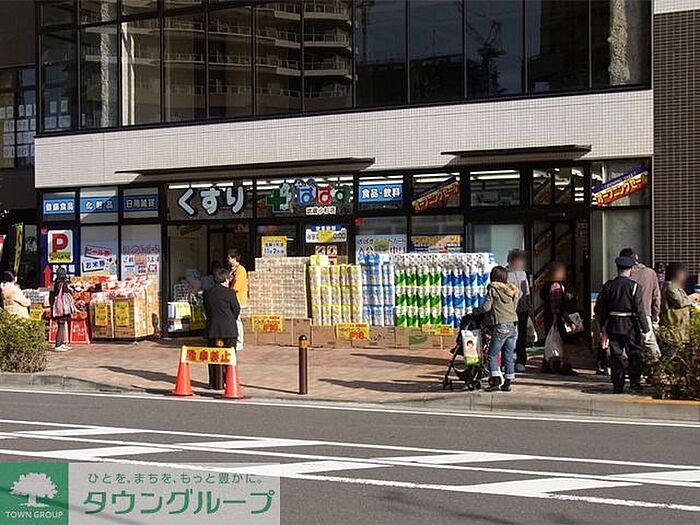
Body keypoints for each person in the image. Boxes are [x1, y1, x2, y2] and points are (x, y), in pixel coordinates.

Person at [595, 256, 652, 394]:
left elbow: (603, 309)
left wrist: (602, 327)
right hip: (630, 324)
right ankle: (634, 382)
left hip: (613, 323)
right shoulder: (634, 287)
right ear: (631, 269)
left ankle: (618, 385)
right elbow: (640, 310)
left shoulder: (608, 286)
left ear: (617, 269)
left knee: (616, 354)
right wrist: (646, 329)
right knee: (635, 353)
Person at [476, 265, 520, 392]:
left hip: (500, 326)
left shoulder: (493, 289)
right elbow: (513, 308)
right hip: (513, 325)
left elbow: (486, 307)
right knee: (508, 355)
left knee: (492, 355)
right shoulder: (510, 291)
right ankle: (508, 382)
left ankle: (495, 381)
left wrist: (475, 311)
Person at [203, 267, 241, 390]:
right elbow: (236, 309)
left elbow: (207, 310)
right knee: (229, 356)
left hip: (212, 328)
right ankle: (229, 381)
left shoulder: (207, 293)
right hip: (229, 329)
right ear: (225, 279)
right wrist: (231, 320)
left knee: (213, 356)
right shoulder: (230, 293)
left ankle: (214, 382)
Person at [540, 262, 578, 375]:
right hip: (559, 319)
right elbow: (557, 307)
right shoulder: (556, 287)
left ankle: (549, 364)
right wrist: (567, 321)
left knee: (552, 341)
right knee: (565, 343)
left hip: (551, 318)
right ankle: (565, 365)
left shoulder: (546, 286)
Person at [619, 248, 661, 324]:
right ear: (636, 258)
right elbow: (656, 297)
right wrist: (656, 314)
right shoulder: (650, 273)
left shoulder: (624, 277)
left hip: (625, 319)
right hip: (646, 315)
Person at [660, 263, 699, 339]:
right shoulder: (670, 286)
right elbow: (680, 302)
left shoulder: (676, 286)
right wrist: (693, 297)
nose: (684, 277)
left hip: (680, 325)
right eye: (682, 274)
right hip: (674, 325)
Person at [507, 249, 531, 373]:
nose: (520, 263)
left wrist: (529, 304)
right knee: (509, 336)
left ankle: (521, 361)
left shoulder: (523, 273)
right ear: (511, 261)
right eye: (518, 261)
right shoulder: (505, 274)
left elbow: (526, 291)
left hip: (522, 309)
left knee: (522, 336)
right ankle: (507, 361)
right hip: (509, 311)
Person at [226, 248, 248, 351]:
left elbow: (236, 287)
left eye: (229, 257)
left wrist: (227, 292)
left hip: (238, 299)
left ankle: (240, 342)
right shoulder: (232, 270)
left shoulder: (240, 270)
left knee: (237, 320)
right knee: (233, 320)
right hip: (232, 299)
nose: (228, 259)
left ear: (234, 258)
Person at [49, 268, 73, 352]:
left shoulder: (56, 283)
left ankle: (61, 343)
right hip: (62, 308)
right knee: (61, 325)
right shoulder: (63, 283)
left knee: (61, 325)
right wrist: (71, 290)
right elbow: (67, 292)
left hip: (58, 307)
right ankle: (58, 345)